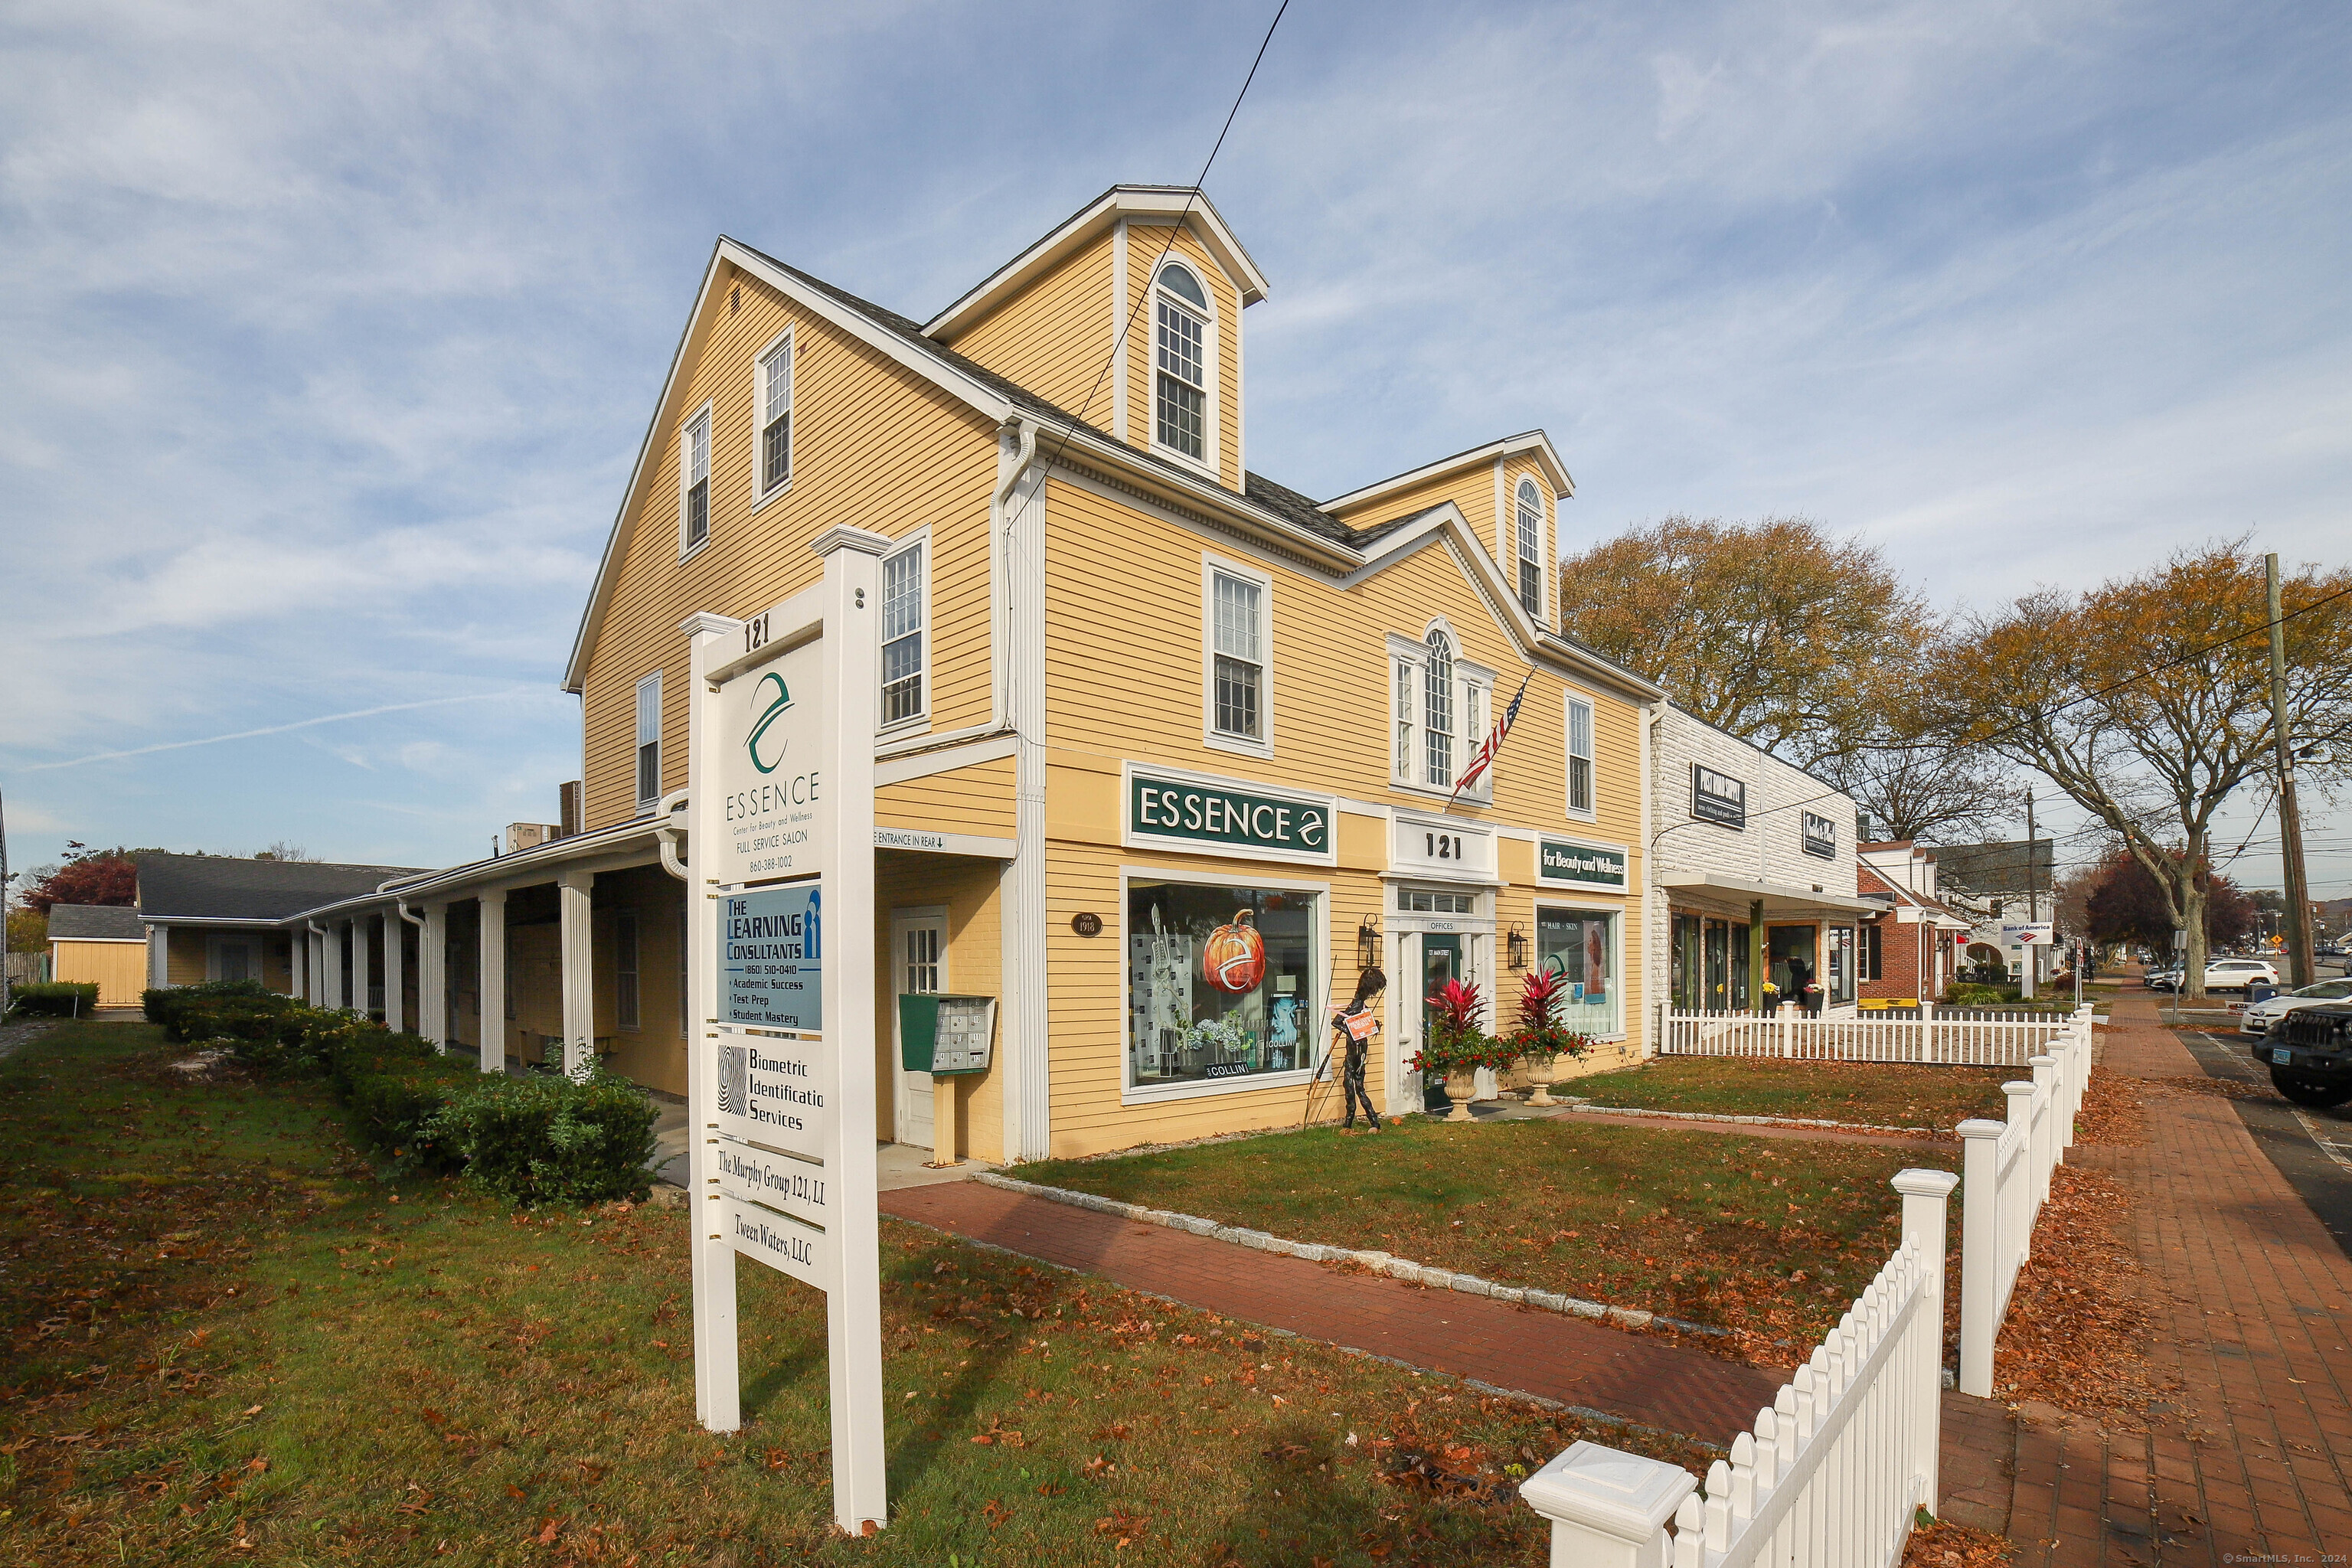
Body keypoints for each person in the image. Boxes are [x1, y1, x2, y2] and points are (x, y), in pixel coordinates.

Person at [1333, 965, 1386, 1132]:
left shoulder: (1363, 1008)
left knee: (1356, 1088)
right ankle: (1363, 1122)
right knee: (1353, 1088)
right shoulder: (1355, 1006)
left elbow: (1363, 1026)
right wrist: (1351, 1030)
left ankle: (1362, 1122)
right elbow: (1336, 1022)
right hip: (1354, 1056)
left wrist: (1372, 1026)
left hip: (1359, 1056)